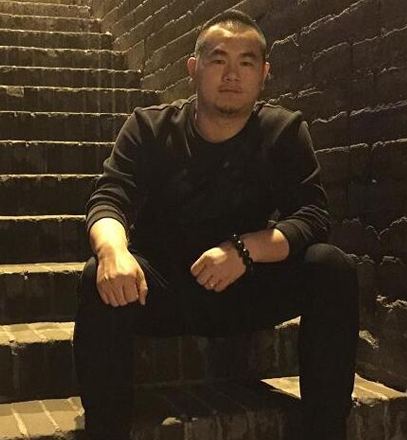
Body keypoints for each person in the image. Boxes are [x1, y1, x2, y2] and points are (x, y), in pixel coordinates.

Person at [73, 9, 359, 440]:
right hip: (164, 289)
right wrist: (113, 251)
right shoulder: (150, 127)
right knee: (99, 275)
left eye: (246, 62)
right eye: (218, 59)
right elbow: (109, 197)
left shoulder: (282, 130)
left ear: (263, 74)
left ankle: (326, 430)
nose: (232, 74)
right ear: (194, 68)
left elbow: (313, 216)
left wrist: (245, 250)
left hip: (245, 287)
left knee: (330, 266)